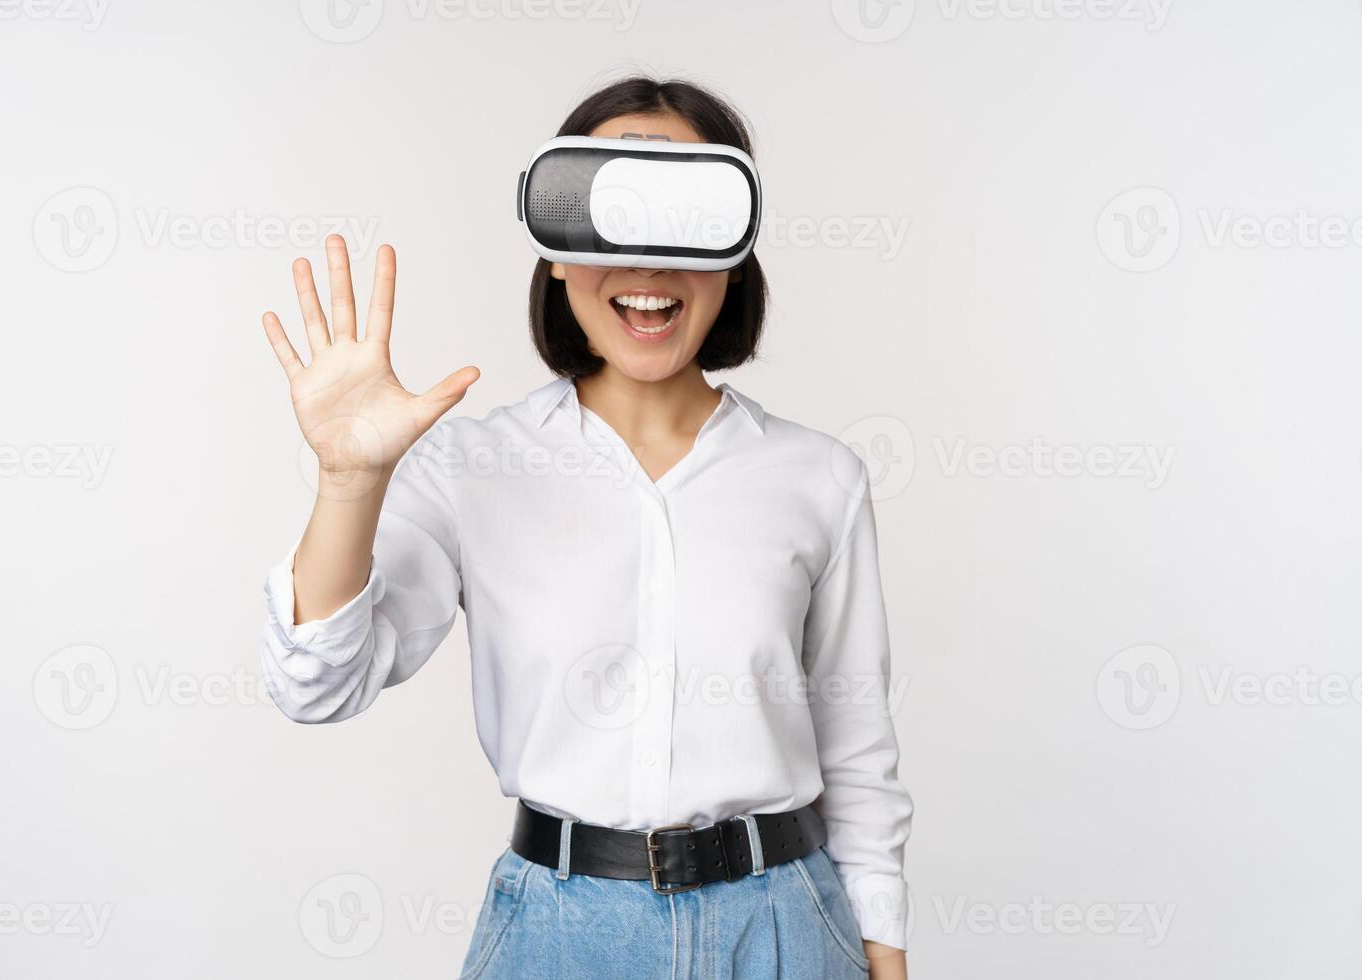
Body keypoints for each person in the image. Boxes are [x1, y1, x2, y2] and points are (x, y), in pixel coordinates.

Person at [258, 75, 913, 979]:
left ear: (734, 251)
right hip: (559, 934)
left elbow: (858, 746)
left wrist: (883, 952)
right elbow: (316, 688)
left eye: (681, 216)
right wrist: (348, 479)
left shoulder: (820, 478)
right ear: (555, 251)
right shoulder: (470, 468)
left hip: (786, 930)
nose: (646, 266)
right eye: (612, 213)